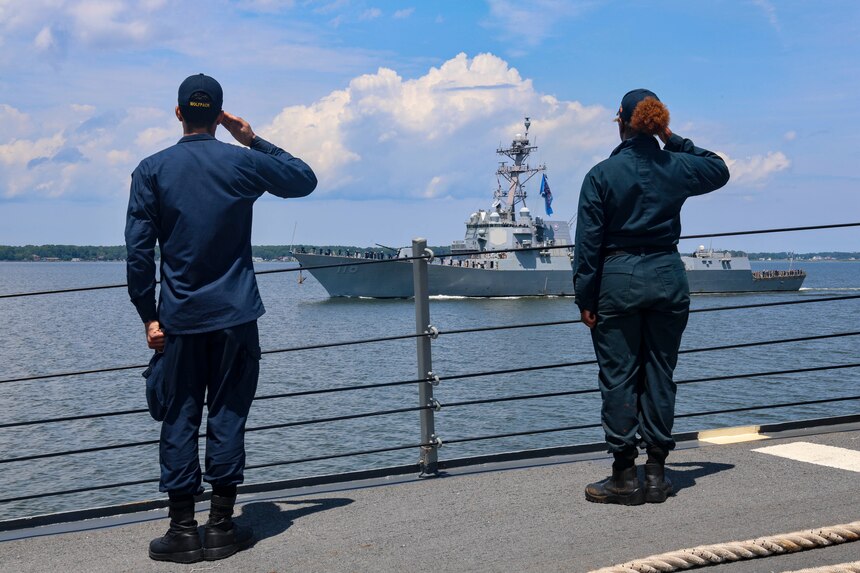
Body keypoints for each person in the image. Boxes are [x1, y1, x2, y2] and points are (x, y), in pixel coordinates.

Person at [125, 73, 317, 562]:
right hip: (236, 315)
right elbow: (303, 179)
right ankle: (221, 527)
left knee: (179, 416)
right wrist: (250, 138)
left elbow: (139, 256)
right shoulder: (241, 162)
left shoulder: (152, 169)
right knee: (228, 414)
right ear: (220, 116)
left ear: (177, 113)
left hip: (180, 319)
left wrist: (149, 316)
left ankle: (182, 530)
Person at [573, 89, 729, 505]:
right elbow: (718, 169)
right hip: (667, 275)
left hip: (617, 279)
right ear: (657, 123)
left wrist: (584, 298)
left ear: (621, 121)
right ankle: (657, 474)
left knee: (618, 377)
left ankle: (624, 475)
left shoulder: (600, 175)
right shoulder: (676, 165)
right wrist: (671, 138)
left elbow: (587, 246)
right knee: (660, 373)